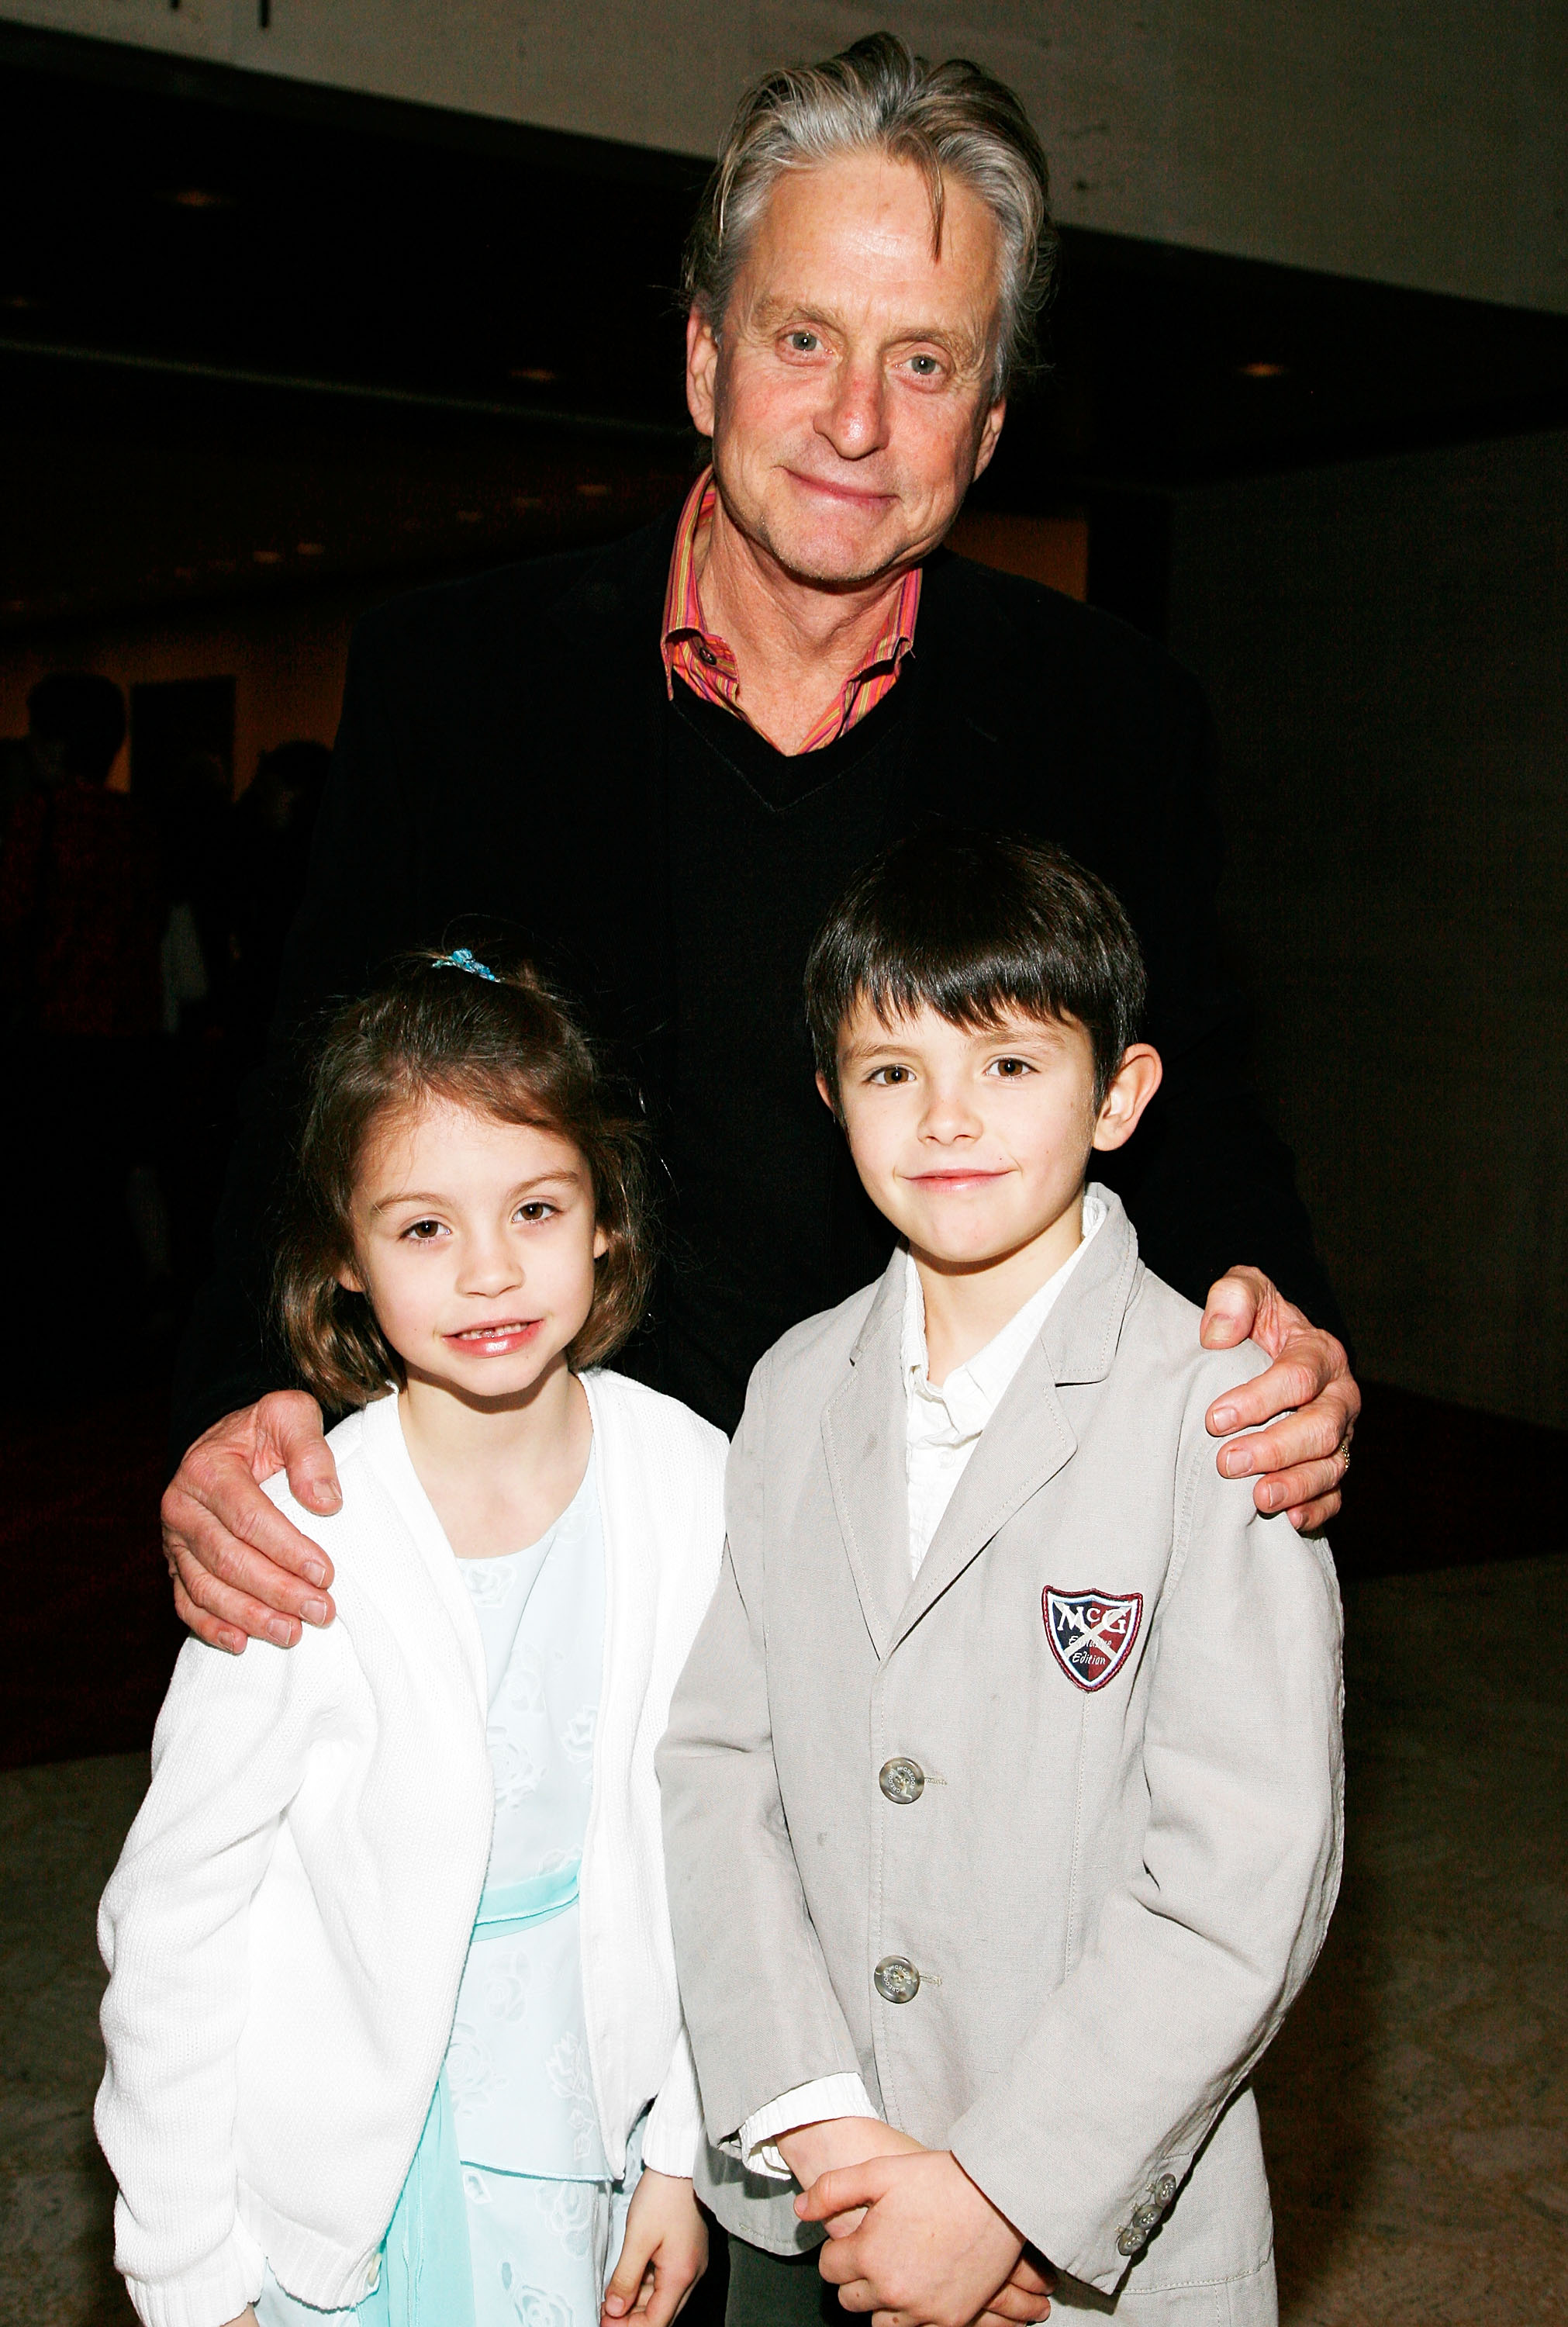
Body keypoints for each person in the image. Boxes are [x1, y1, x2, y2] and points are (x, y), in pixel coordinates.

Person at [658, 829, 1344, 2327]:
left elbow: (1246, 1870)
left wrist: (1004, 2195)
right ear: (830, 1097)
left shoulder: (1217, 1401)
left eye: (1010, 1066)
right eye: (892, 1071)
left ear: (1119, 1095)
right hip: (818, 2203)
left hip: (1096, 2242)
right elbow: (720, 1767)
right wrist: (818, 2124)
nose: (946, 1118)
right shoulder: (791, 1387)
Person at [96, 950, 721, 2327]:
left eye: (535, 1208)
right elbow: (179, 1917)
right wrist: (188, 2267)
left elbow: (711, 1850)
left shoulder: (688, 1480)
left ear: (605, 1217)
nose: (490, 1270)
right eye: (424, 1228)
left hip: (587, 2143)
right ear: (345, 1256)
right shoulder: (301, 1532)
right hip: (351, 2192)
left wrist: (676, 2152)